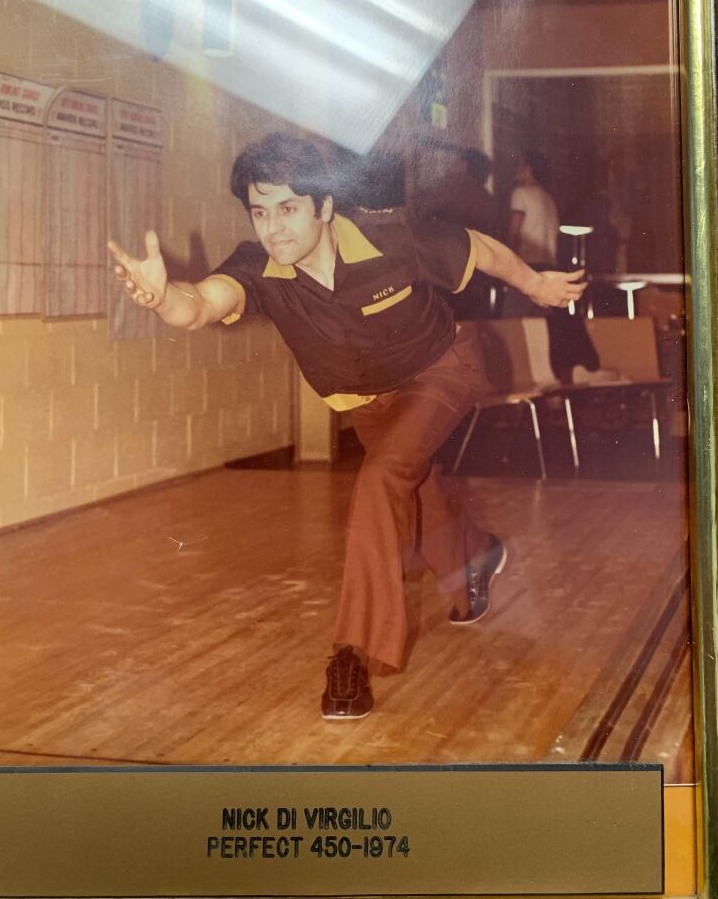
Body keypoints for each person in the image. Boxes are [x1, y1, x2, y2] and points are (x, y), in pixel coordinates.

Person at [108, 133, 586, 720]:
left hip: (444, 369)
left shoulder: (392, 238)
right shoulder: (258, 268)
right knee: (416, 488)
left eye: (287, 209)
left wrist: (537, 285)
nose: (273, 229)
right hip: (368, 403)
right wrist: (163, 300)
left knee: (382, 478)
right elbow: (202, 303)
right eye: (260, 213)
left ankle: (351, 654)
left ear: (325, 205)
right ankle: (477, 555)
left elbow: (480, 249)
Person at [508, 150, 560, 269]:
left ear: (528, 169)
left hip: (528, 264)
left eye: (520, 165)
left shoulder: (520, 193)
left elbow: (514, 232)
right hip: (550, 264)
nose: (517, 170)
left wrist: (511, 265)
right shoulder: (549, 198)